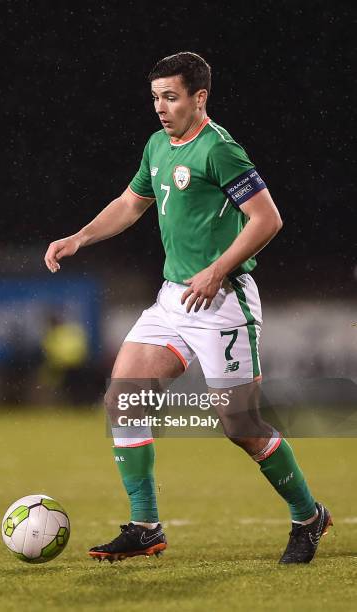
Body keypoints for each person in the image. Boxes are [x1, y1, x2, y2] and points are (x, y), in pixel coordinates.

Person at [44, 52, 332, 564]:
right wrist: (81, 237)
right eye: (156, 97)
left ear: (200, 98)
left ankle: (309, 517)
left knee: (239, 425)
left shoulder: (220, 150)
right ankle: (145, 526)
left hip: (224, 301)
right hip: (173, 300)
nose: (161, 107)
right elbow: (132, 203)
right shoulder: (157, 145)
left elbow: (267, 219)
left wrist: (218, 269)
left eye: (171, 97)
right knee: (122, 401)